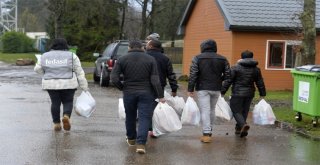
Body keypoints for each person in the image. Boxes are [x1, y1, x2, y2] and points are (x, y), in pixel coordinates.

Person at [111, 40, 165, 154]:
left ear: (129, 47)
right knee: (144, 118)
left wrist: (122, 87)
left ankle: (131, 139)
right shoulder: (150, 59)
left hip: (129, 92)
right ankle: (141, 144)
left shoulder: (122, 59)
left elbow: (114, 78)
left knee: (130, 116)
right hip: (146, 93)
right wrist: (160, 95)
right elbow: (155, 79)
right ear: (142, 47)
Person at [34, 38, 88, 131]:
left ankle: (56, 124)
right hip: (69, 84)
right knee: (68, 101)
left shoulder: (44, 56)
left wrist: (46, 72)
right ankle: (66, 116)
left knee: (55, 103)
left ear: (53, 45)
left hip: (51, 84)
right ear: (65, 45)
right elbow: (79, 72)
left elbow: (37, 69)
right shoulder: (72, 56)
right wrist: (84, 87)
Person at [187, 39, 231, 143]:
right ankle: (209, 130)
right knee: (212, 109)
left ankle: (206, 133)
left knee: (205, 110)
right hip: (216, 87)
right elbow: (228, 75)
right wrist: (219, 80)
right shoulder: (223, 59)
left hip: (202, 87)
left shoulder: (197, 58)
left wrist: (190, 89)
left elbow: (193, 74)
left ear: (202, 47)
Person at [221, 50, 266, 138]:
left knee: (235, 110)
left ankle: (243, 125)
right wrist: (262, 93)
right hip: (250, 94)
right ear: (252, 58)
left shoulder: (235, 68)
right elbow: (260, 82)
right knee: (244, 111)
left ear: (241, 58)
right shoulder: (256, 69)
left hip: (237, 93)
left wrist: (222, 91)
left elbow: (228, 81)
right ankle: (239, 129)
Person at [145, 39, 178, 137]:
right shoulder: (165, 58)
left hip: (145, 85)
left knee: (145, 106)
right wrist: (174, 89)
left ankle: (148, 128)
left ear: (151, 46)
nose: (146, 45)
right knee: (156, 107)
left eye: (147, 44)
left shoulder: (144, 56)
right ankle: (154, 129)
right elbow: (171, 75)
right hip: (159, 86)